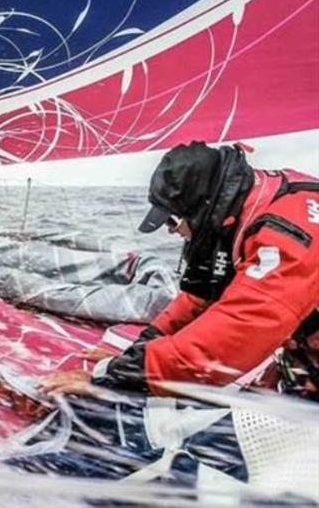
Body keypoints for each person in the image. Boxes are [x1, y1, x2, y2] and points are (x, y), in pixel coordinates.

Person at [38, 141, 319, 399]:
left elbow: (237, 334)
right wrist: (131, 359)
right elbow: (199, 297)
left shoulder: (287, 236)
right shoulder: (249, 204)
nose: (173, 232)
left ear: (201, 208)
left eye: (172, 222)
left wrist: (114, 378)